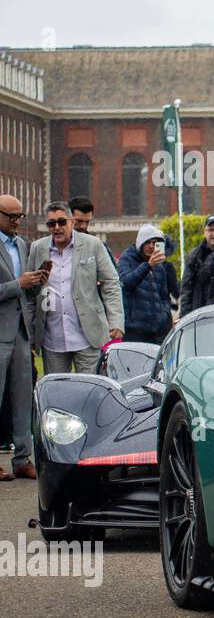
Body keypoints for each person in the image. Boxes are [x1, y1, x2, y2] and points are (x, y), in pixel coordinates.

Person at [27, 201, 123, 374]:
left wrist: (115, 320)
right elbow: (30, 293)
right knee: (57, 392)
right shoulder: (37, 248)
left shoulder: (93, 245)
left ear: (72, 221)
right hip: (52, 337)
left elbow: (111, 283)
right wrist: (31, 332)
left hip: (88, 335)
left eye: (62, 222)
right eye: (51, 223)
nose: (56, 227)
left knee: (89, 391)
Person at [0, 195, 39, 480]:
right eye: (11, 216)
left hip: (21, 332)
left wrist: (35, 284)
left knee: (23, 398)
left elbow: (25, 292)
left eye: (20, 216)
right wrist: (18, 284)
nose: (16, 222)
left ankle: (23, 458)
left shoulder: (22, 245)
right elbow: (14, 288)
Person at [116, 225, 178, 346]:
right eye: (147, 242)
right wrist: (148, 265)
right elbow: (126, 284)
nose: (151, 246)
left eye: (155, 243)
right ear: (140, 243)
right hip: (134, 331)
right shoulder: (127, 258)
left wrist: (164, 315)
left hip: (156, 331)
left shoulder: (160, 266)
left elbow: (164, 296)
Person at [179, 216, 214, 316]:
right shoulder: (195, 255)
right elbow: (187, 289)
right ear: (204, 232)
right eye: (211, 230)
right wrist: (185, 316)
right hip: (201, 313)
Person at [69, 195, 112, 261]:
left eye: (87, 222)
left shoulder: (98, 246)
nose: (83, 226)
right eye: (79, 221)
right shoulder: (52, 245)